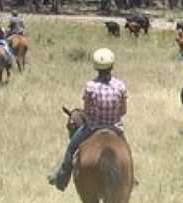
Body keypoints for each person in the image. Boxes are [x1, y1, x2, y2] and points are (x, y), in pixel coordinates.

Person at [48, 48, 128, 191]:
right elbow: (123, 111)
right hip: (115, 128)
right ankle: (130, 179)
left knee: (71, 148)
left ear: (96, 66)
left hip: (93, 128)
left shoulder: (90, 86)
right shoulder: (120, 86)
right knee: (127, 153)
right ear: (112, 65)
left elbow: (87, 111)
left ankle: (62, 178)